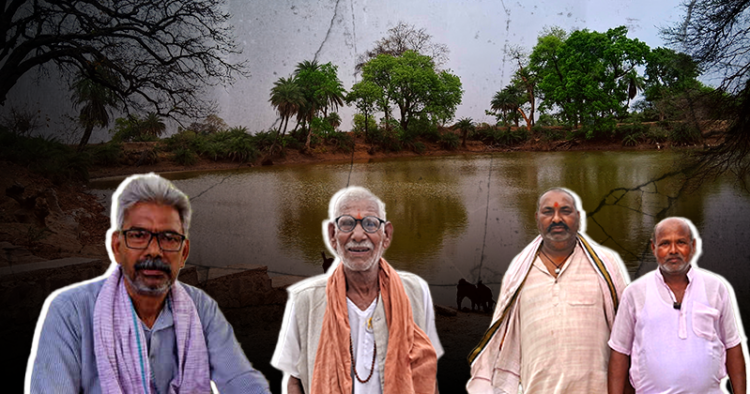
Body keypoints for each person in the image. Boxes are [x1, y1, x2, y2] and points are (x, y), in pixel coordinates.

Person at [25, 173, 270, 393]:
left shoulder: (201, 308)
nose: (154, 251)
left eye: (169, 238)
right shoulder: (72, 311)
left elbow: (241, 380)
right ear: (117, 247)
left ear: (184, 253)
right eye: (139, 235)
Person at [272, 186, 443, 394]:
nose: (359, 235)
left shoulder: (415, 291)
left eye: (371, 224)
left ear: (386, 235)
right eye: (347, 224)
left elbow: (427, 371)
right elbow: (294, 382)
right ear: (332, 235)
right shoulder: (305, 300)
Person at [467, 187, 630, 393]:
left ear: (578, 217)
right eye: (548, 212)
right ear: (537, 218)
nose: (556, 219)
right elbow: (504, 335)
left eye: (565, 211)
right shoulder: (519, 274)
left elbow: (627, 332)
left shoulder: (606, 268)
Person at [608, 217, 747, 394]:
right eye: (665, 244)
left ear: (693, 246)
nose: (673, 250)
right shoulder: (635, 293)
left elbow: (732, 346)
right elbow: (619, 352)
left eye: (681, 242)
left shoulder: (715, 288)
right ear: (654, 248)